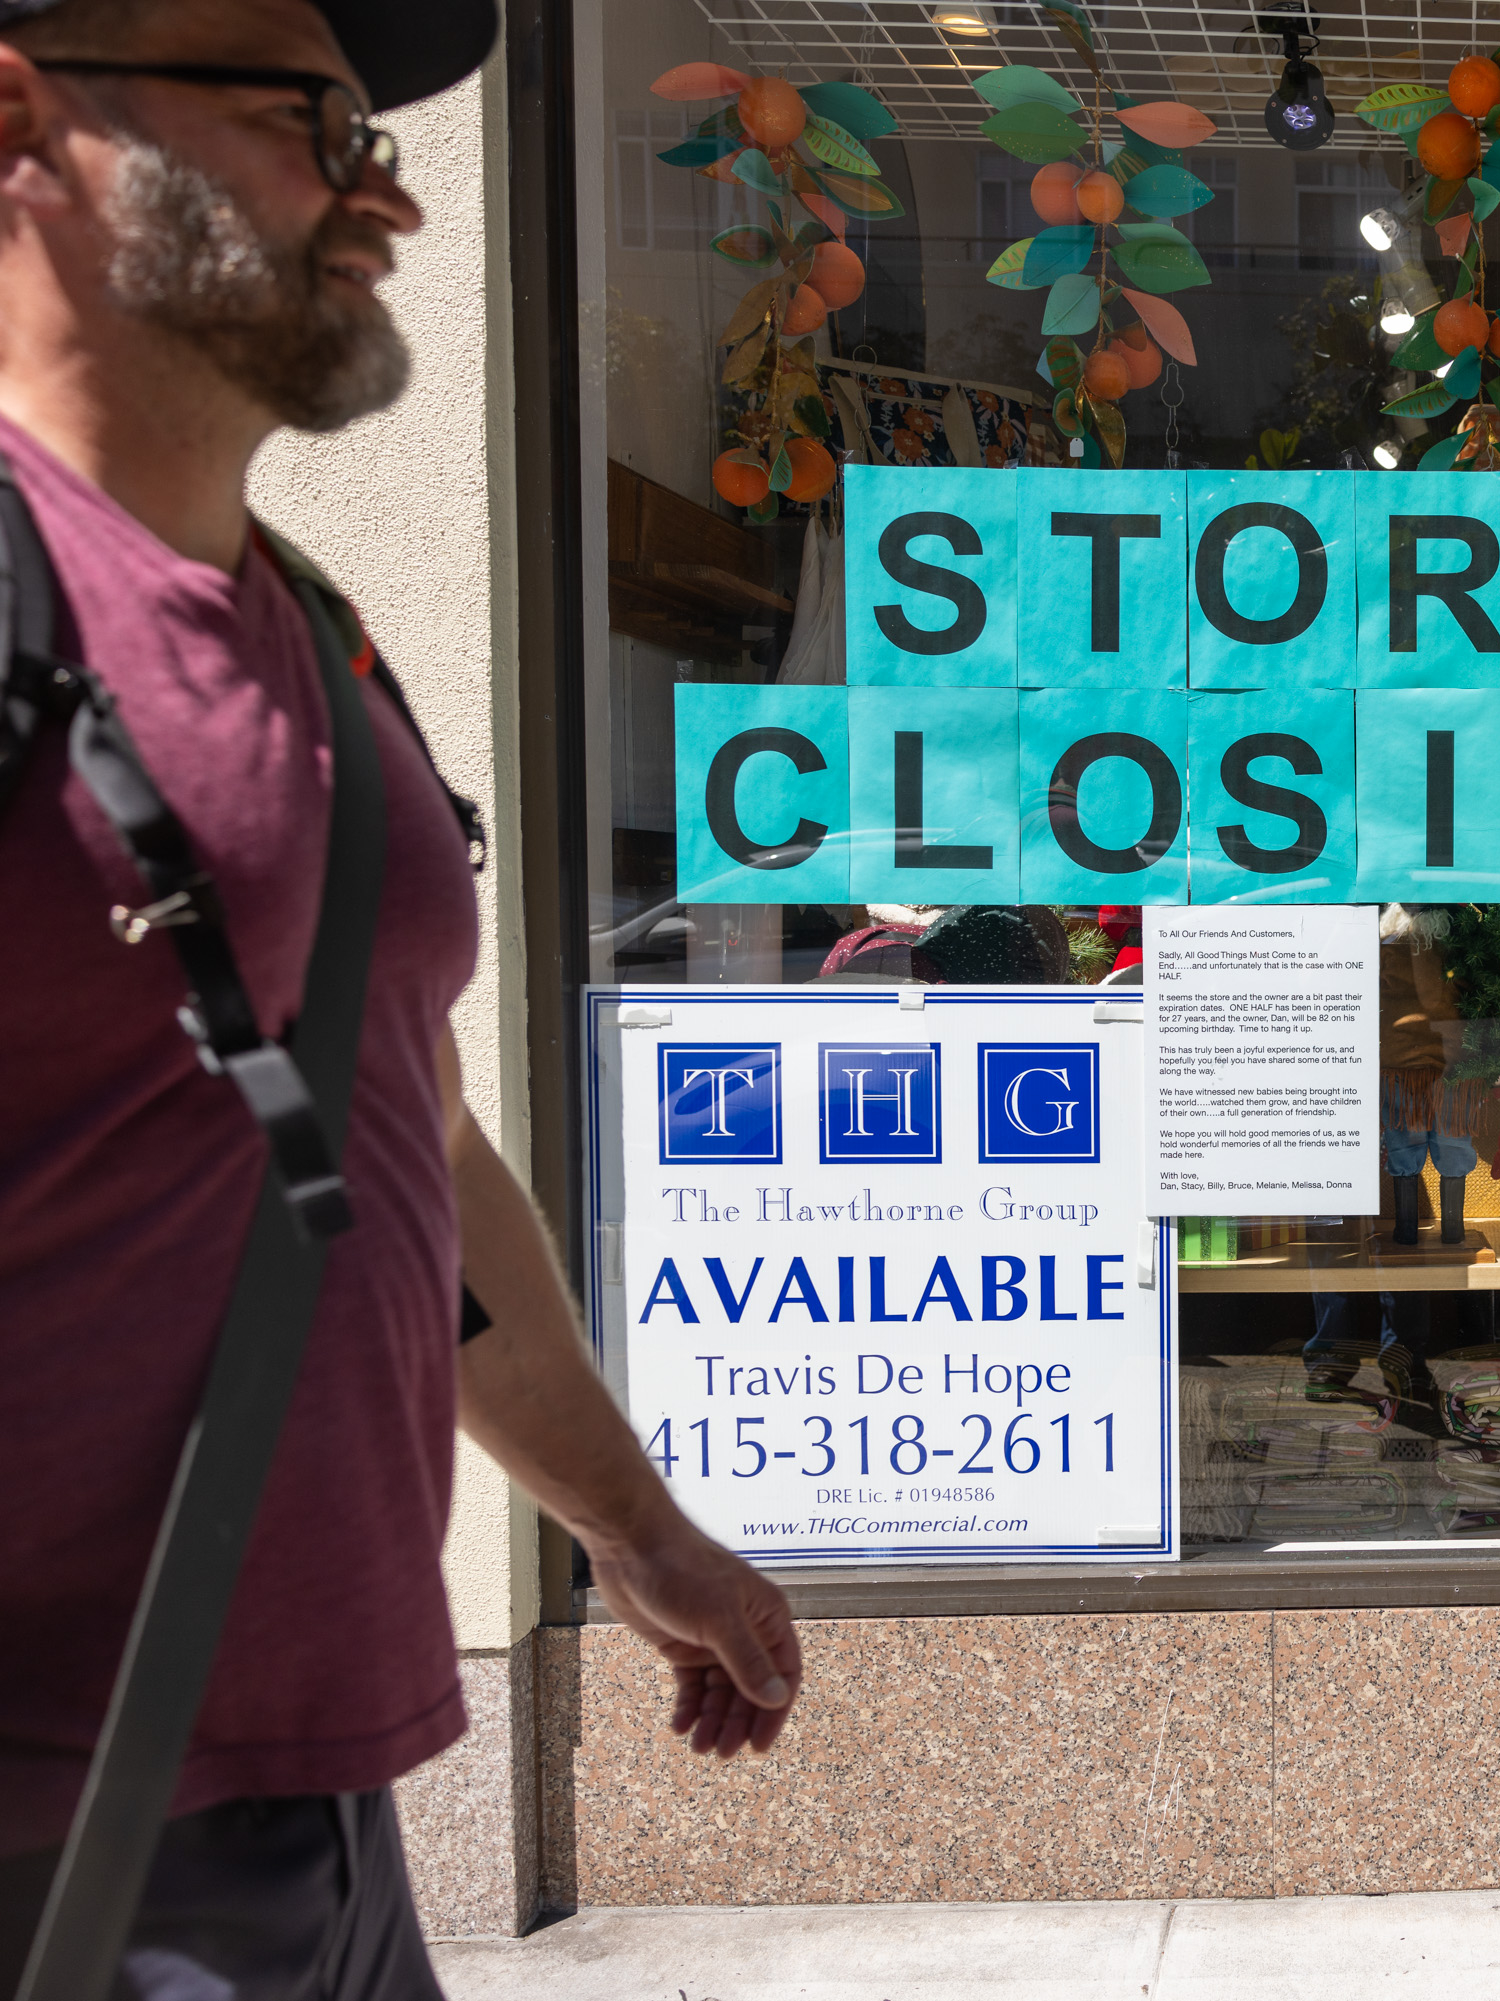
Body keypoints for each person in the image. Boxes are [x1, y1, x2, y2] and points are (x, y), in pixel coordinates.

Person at [0, 2, 803, 1989]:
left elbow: (382, 1139)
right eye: (313, 118)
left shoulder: (316, 633)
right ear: (24, 115)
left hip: (315, 1810)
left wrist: (631, 1523)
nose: (397, 196)